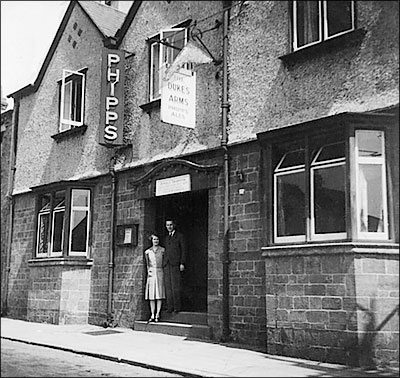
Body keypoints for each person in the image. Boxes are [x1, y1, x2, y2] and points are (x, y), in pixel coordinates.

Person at [163, 218, 187, 313]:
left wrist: (182, 263)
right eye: (167, 225)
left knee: (175, 286)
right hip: (167, 264)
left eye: (170, 225)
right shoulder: (166, 238)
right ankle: (170, 307)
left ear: (174, 225)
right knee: (168, 286)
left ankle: (177, 307)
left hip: (176, 264)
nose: (169, 227)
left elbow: (184, 250)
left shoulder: (180, 236)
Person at [144, 233, 165, 322]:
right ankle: (152, 314)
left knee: (159, 294)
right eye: (154, 239)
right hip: (151, 273)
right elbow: (147, 263)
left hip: (160, 272)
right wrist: (149, 271)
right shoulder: (147, 252)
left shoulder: (163, 250)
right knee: (152, 295)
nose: (156, 241)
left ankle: (158, 314)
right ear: (151, 241)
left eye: (157, 239)